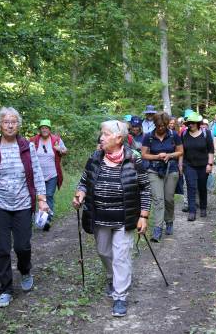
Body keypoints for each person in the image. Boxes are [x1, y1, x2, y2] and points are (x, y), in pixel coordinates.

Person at [72, 120, 151, 318]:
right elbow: (84, 181)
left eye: (106, 134)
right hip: (99, 217)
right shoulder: (95, 157)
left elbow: (145, 189)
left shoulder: (134, 159)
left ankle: (120, 296)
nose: (101, 137)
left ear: (118, 138)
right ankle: (111, 276)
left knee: (122, 255)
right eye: (102, 133)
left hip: (125, 218)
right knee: (103, 251)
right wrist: (80, 194)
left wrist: (143, 215)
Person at [0, 107, 49, 308]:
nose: (9, 125)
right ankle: (6, 289)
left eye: (13, 121)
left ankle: (25, 271)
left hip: (24, 204)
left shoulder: (27, 146)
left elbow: (37, 174)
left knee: (22, 246)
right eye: (6, 121)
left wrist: (42, 200)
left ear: (18, 124)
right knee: (2, 249)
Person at [141, 112, 183, 241]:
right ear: (155, 124)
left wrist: (170, 155)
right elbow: (143, 155)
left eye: (163, 126)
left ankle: (169, 221)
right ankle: (157, 229)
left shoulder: (174, 135)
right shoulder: (148, 137)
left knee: (169, 198)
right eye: (158, 126)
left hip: (171, 169)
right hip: (153, 170)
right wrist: (157, 156)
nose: (161, 128)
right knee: (158, 199)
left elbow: (180, 151)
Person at [29, 119, 67, 231]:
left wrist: (59, 149)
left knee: (49, 195)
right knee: (39, 197)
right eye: (42, 128)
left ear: (49, 129)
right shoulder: (33, 140)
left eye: (46, 128)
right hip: (37, 175)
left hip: (52, 174)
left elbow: (65, 151)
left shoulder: (56, 139)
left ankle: (48, 219)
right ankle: (39, 218)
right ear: (40, 129)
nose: (44, 130)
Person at [179, 112, 214, 221]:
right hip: (189, 165)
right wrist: (180, 164)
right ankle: (192, 211)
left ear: (198, 123)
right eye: (189, 123)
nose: (191, 125)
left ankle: (203, 207)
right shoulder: (184, 134)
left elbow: (211, 150)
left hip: (203, 165)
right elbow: (181, 151)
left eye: (193, 123)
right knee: (191, 187)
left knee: (202, 187)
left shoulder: (206, 133)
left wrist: (210, 164)